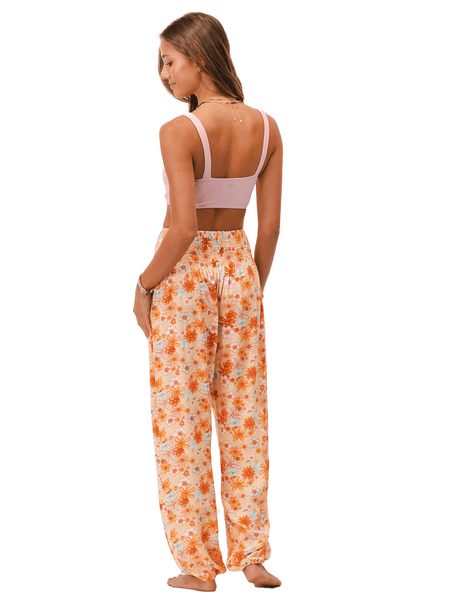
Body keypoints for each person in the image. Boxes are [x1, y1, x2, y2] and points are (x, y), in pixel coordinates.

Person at [133, 12, 283, 592]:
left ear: (199, 57)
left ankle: (198, 565)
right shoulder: (267, 129)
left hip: (185, 277)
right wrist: (250, 287)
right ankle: (253, 555)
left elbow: (183, 228)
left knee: (182, 419)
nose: (163, 74)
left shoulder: (180, 131)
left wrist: (145, 285)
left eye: (169, 60)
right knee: (245, 412)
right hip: (241, 268)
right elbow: (270, 228)